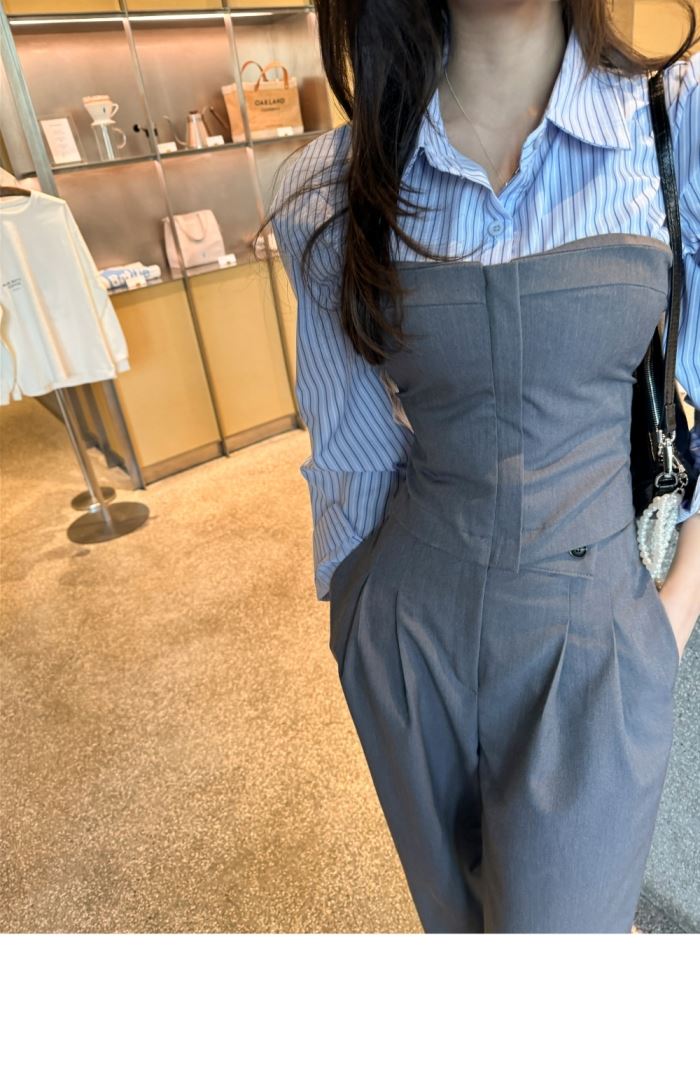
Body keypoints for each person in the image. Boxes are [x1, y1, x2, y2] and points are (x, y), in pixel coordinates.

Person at [262, 0, 700, 933]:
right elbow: (350, 453)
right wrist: (358, 618)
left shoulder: (677, 123)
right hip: (406, 640)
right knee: (458, 937)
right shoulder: (329, 185)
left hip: (597, 647)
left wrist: (668, 621)